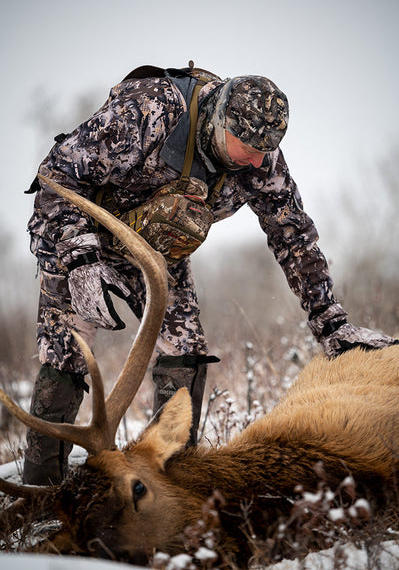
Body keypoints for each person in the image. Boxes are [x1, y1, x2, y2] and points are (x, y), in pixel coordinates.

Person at [24, 64, 397, 485]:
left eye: (266, 149)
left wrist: (333, 324)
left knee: (186, 349)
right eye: (248, 147)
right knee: (67, 354)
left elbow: (292, 235)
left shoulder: (262, 158)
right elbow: (55, 178)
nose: (258, 160)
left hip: (157, 252)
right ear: (219, 121)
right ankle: (41, 491)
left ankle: (169, 480)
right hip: (79, 235)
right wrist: (79, 260)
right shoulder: (150, 112)